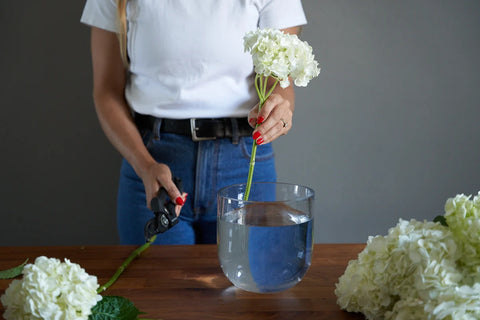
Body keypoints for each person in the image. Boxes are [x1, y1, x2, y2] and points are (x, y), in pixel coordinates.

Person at [80, 0, 307, 245]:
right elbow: (107, 90)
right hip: (152, 163)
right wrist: (144, 165)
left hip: (244, 162)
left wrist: (279, 107)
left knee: (244, 282)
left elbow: (278, 82)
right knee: (154, 283)